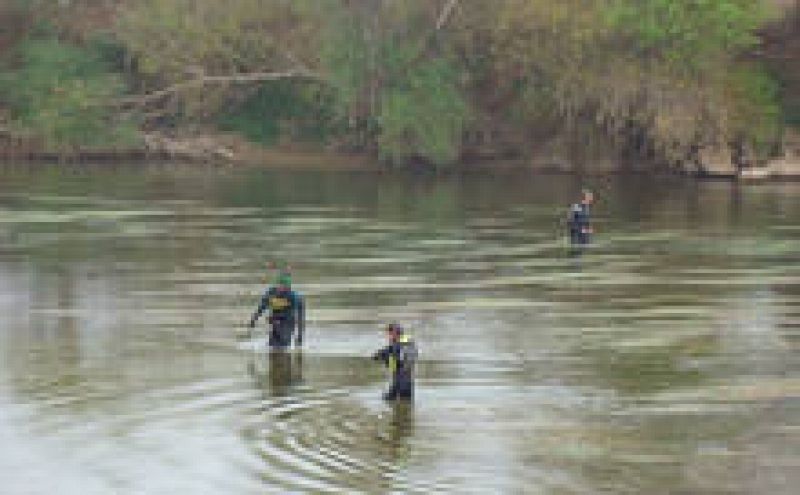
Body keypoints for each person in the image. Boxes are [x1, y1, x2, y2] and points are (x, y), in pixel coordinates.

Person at [248, 270, 305, 349]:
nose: (280, 287)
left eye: (283, 286)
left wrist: (300, 335)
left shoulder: (293, 297)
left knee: (283, 344)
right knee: (272, 345)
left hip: (288, 321)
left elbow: (299, 317)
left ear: (288, 287)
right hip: (275, 320)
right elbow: (262, 307)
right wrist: (254, 319)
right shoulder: (271, 293)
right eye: (279, 284)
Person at [372, 323, 418, 401]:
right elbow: (385, 353)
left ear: (395, 333)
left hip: (402, 380)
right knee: (395, 401)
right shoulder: (399, 343)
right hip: (401, 379)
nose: (388, 336)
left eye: (390, 334)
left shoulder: (403, 344)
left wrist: (385, 358)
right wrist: (379, 356)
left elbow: (400, 359)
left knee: (395, 400)